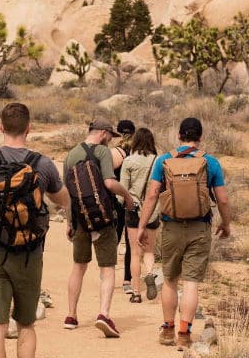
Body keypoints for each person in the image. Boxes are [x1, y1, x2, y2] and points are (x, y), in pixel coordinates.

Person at [0, 103, 70, 358]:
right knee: (26, 324)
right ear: (29, 128)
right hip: (30, 253)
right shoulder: (43, 164)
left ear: (1, 127)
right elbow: (63, 199)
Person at [137, 117, 231, 351]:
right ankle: (184, 333)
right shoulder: (211, 163)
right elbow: (223, 199)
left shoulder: (164, 161)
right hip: (200, 228)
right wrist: (226, 223)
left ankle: (167, 330)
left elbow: (151, 196)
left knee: (169, 279)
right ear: (200, 138)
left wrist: (141, 225)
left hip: (171, 227)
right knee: (191, 282)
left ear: (179, 136)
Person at [64, 118, 135, 338]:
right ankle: (103, 314)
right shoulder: (103, 152)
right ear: (103, 133)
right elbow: (109, 183)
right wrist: (127, 196)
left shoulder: (71, 154)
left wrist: (69, 221)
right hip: (102, 218)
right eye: (109, 136)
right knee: (107, 268)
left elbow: (67, 193)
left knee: (79, 266)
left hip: (79, 219)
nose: (109, 139)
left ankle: (71, 316)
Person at [118, 128, 159, 303]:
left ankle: (135, 293)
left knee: (135, 253)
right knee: (149, 251)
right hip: (152, 211)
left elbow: (122, 191)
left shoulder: (128, 161)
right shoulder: (158, 161)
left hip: (133, 210)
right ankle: (150, 273)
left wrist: (124, 203)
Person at [110, 119, 136, 294]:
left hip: (116, 200)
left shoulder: (113, 153)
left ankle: (108, 274)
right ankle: (128, 279)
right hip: (133, 200)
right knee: (130, 241)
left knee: (114, 237)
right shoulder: (137, 154)